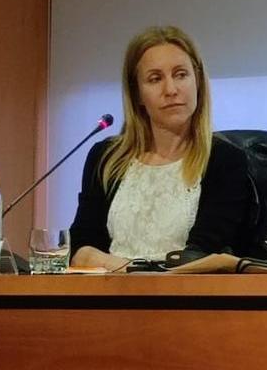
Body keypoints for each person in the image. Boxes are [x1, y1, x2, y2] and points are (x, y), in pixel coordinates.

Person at [69, 26, 254, 271]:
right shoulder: (105, 158)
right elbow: (81, 250)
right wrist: (131, 273)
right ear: (137, 93)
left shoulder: (225, 161)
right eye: (155, 79)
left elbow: (201, 258)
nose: (171, 90)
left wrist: (125, 271)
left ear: (197, 81)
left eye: (180, 75)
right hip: (106, 299)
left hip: (186, 302)